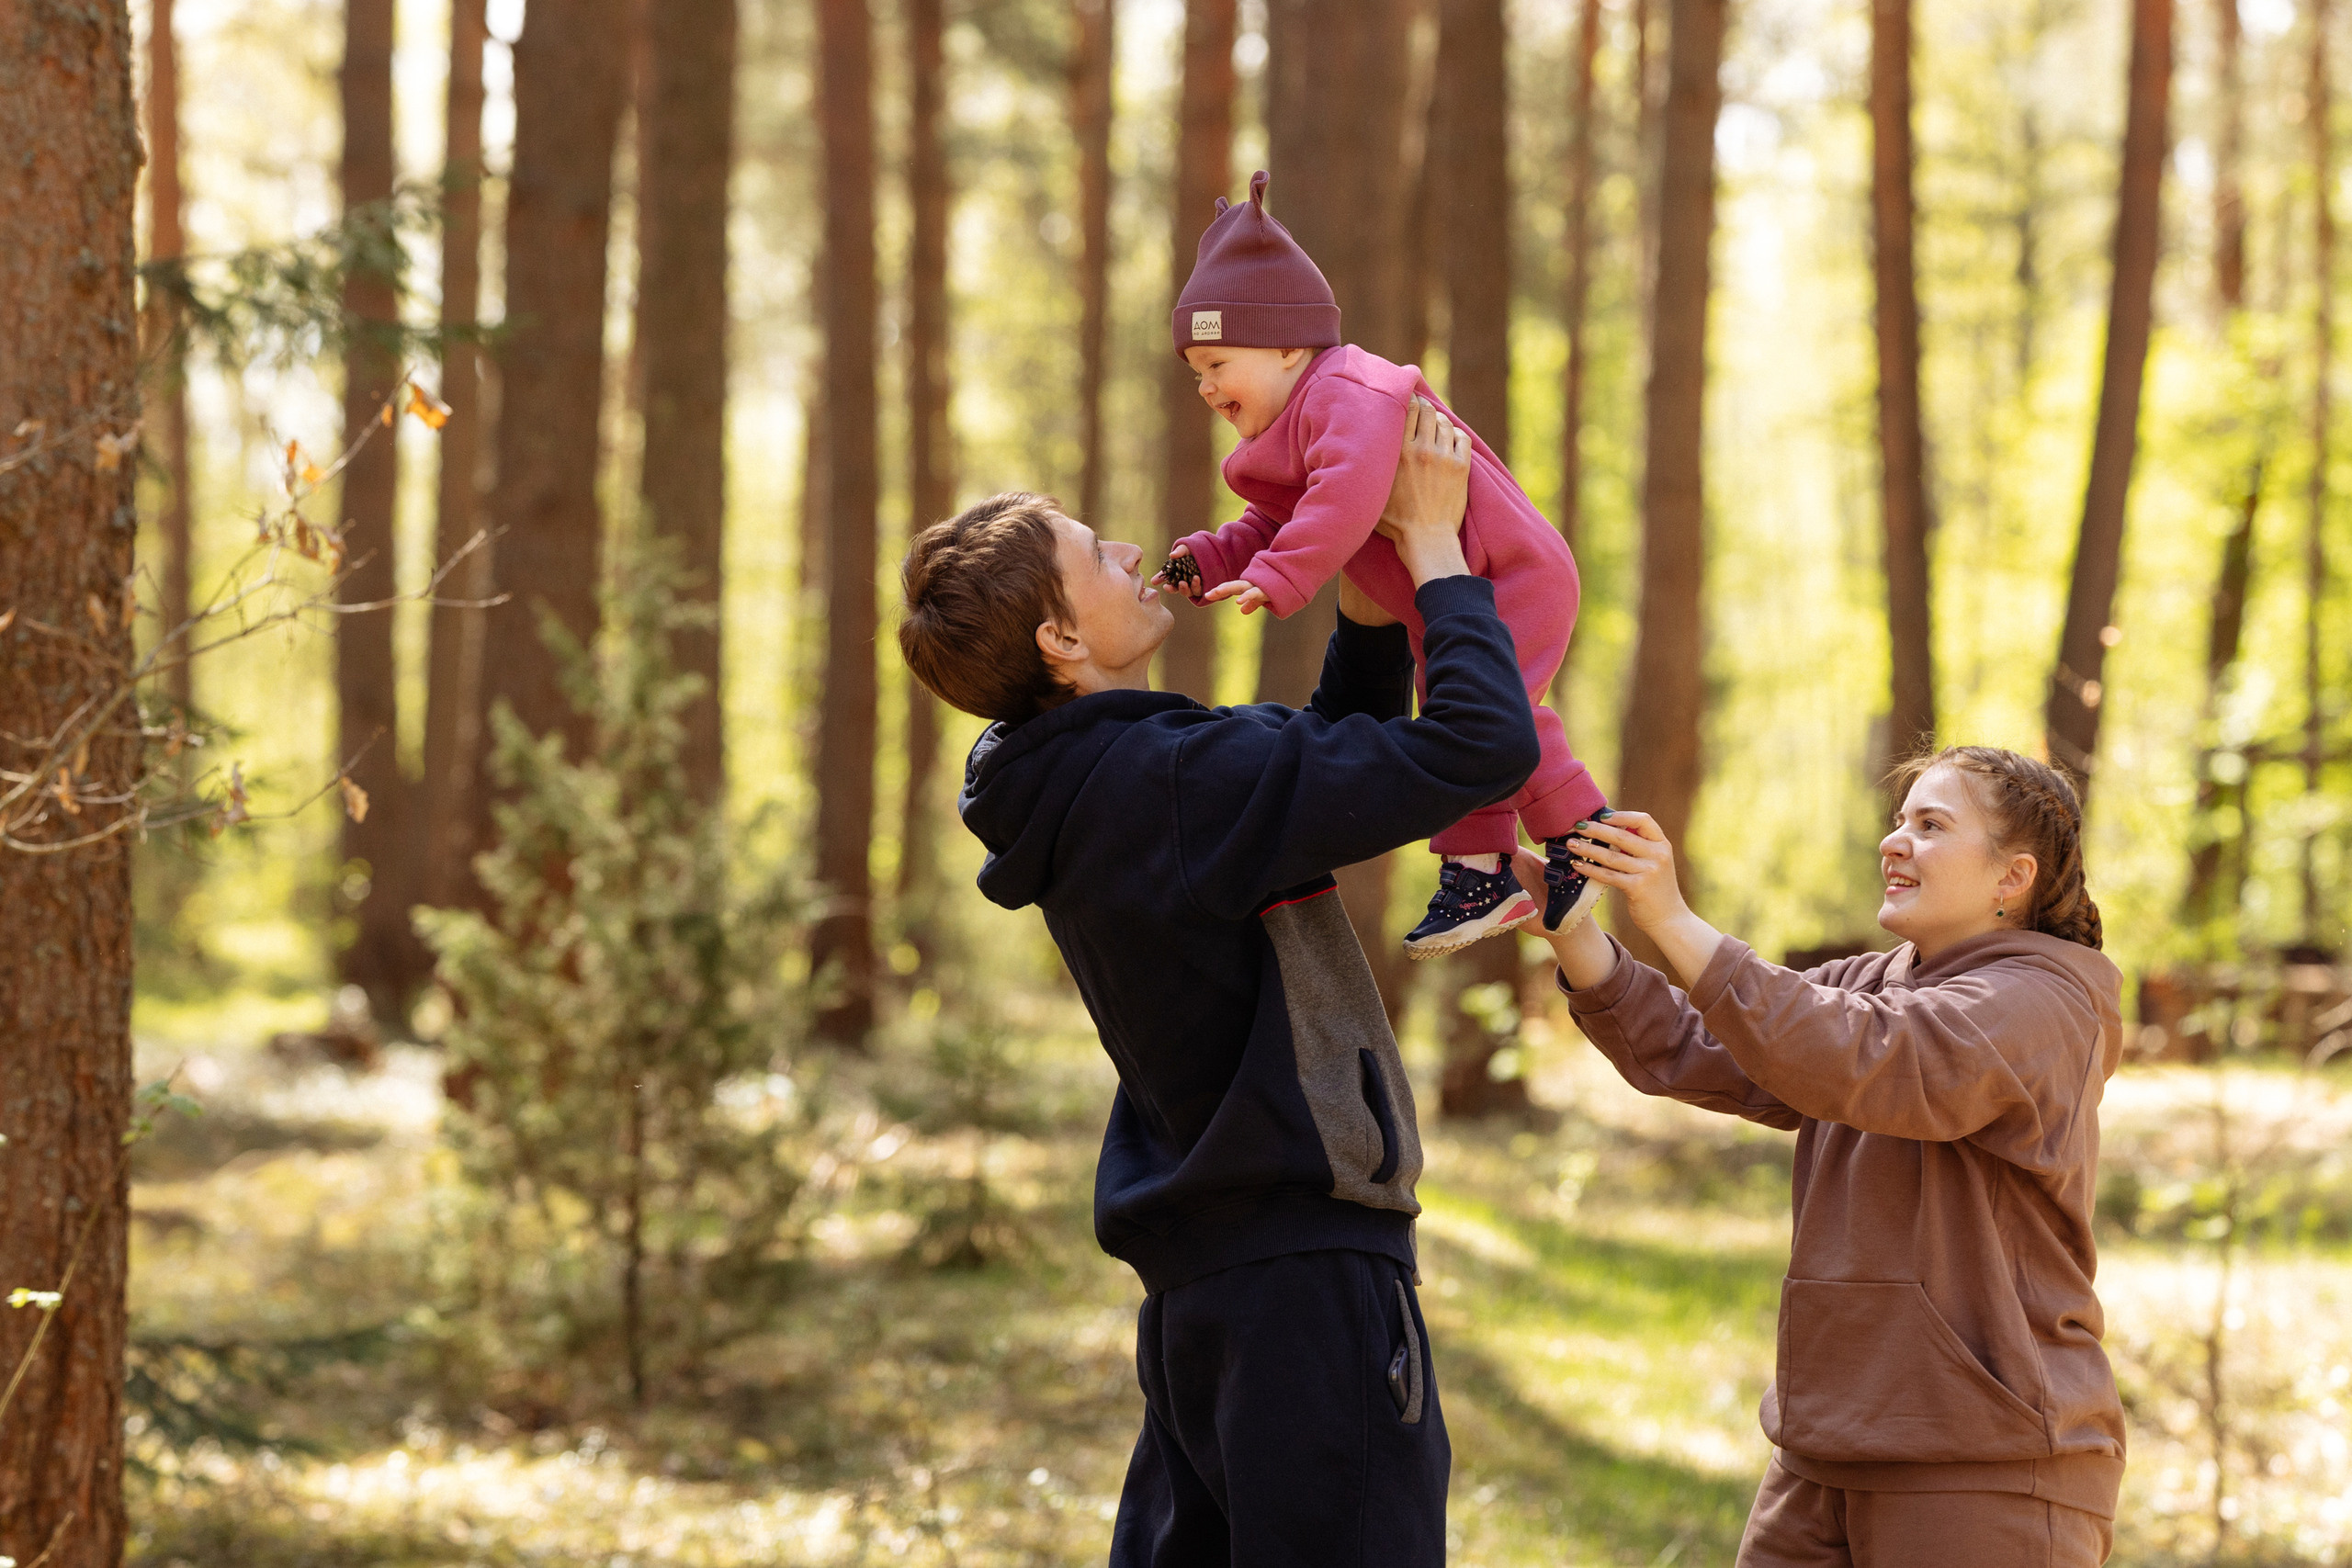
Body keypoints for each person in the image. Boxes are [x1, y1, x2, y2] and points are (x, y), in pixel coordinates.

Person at [899, 400, 1537, 1566]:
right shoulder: (1175, 780)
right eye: (1095, 554)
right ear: (1059, 639)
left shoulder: (1093, 786)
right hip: (1306, 1287)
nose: (1131, 550)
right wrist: (1437, 552)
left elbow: (1315, 776)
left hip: (1206, 1289)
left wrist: (1366, 600)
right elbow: (1482, 747)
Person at [1521, 747, 2126, 1568]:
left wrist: (1671, 917)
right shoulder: (1873, 982)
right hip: (1824, 1446)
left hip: (1987, 1461)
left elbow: (1862, 1053)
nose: (1895, 840)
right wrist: (1572, 928)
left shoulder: (2047, 1000)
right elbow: (1704, 1044)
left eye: (1931, 824)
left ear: (2010, 878)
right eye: (1900, 819)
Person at [1155, 170, 1609, 960]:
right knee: (1473, 716)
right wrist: (1217, 554)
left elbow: (1348, 495)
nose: (1205, 385)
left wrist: (1281, 576)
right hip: (1445, 590)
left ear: (1287, 344)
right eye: (1196, 370)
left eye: (1218, 362)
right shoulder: (1290, 426)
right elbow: (1278, 517)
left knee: (1488, 714)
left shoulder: (1348, 389)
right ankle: (1514, 859)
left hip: (1508, 573)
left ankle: (1551, 842)